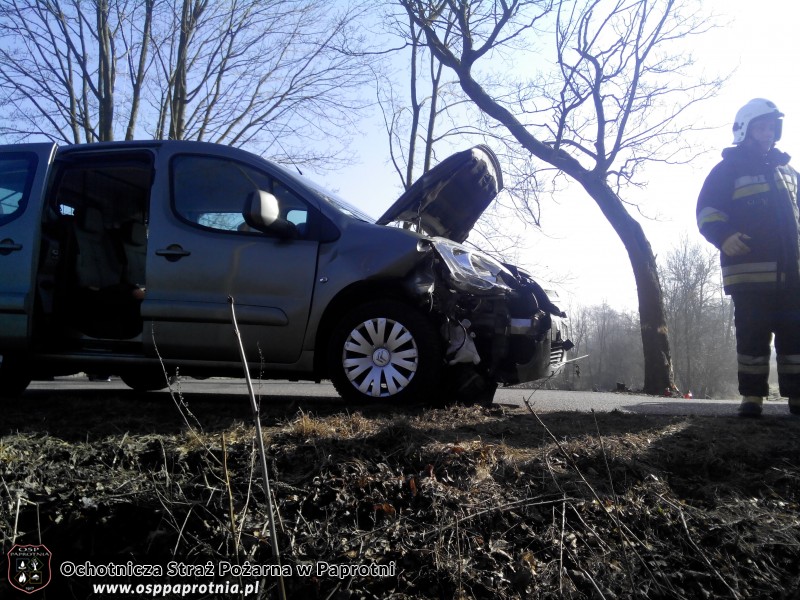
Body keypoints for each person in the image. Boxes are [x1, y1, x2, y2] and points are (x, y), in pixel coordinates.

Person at [697, 98, 800, 417]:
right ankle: (752, 398)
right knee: (753, 338)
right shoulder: (728, 169)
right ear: (745, 129)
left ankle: (797, 397)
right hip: (749, 276)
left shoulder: (790, 172)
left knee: (795, 339)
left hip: (792, 276)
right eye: (761, 126)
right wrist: (724, 236)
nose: (767, 132)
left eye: (771, 126)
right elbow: (707, 211)